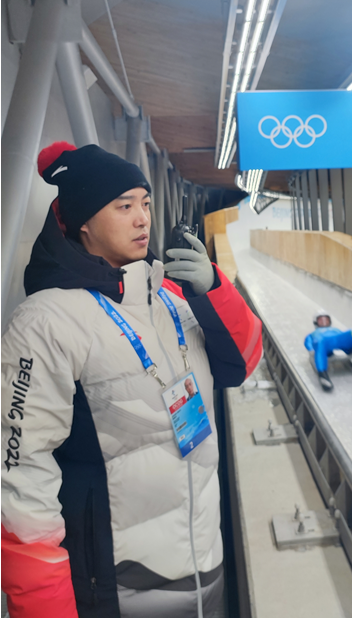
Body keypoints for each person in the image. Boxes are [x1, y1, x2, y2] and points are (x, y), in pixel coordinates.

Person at [1, 142, 263, 618]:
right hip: (116, 588)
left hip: (204, 565)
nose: (143, 218)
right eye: (124, 207)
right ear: (83, 222)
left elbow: (240, 363)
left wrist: (212, 290)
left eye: (145, 203)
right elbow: (20, 484)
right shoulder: (45, 322)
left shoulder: (167, 296)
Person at [304, 310, 352, 391]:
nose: (324, 322)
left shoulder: (335, 329)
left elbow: (342, 336)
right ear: (316, 322)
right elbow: (307, 342)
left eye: (326, 320)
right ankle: (323, 375)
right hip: (324, 345)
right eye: (321, 320)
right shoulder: (313, 334)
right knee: (319, 340)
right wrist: (311, 350)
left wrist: (349, 347)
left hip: (338, 340)